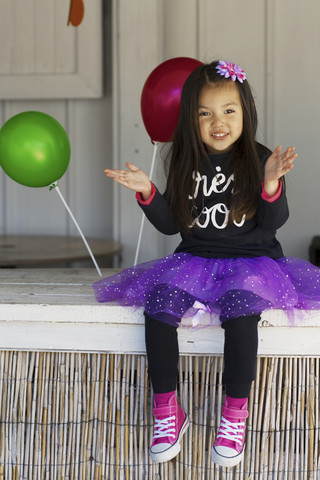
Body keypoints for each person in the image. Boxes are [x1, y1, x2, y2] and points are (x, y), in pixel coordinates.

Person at [94, 60, 320, 468]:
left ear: (245, 113)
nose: (219, 122)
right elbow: (171, 223)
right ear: (191, 118)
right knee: (158, 305)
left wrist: (271, 184)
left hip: (252, 263)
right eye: (205, 113)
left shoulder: (260, 157)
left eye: (229, 111)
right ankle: (166, 409)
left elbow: (274, 223)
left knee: (240, 313)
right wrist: (148, 192)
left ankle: (234, 414)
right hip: (195, 259)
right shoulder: (184, 159)